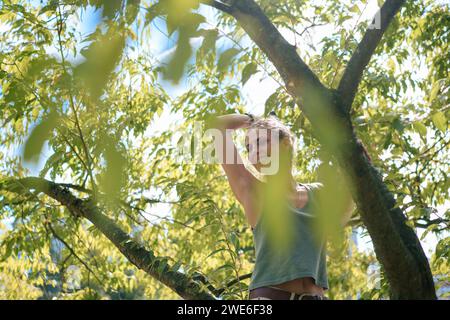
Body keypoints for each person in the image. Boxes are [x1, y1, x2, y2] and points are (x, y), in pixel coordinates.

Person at [208, 112, 356, 300]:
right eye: (249, 147)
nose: (254, 151)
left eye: (261, 142)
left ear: (285, 144)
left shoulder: (318, 194)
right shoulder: (252, 190)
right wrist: (254, 121)